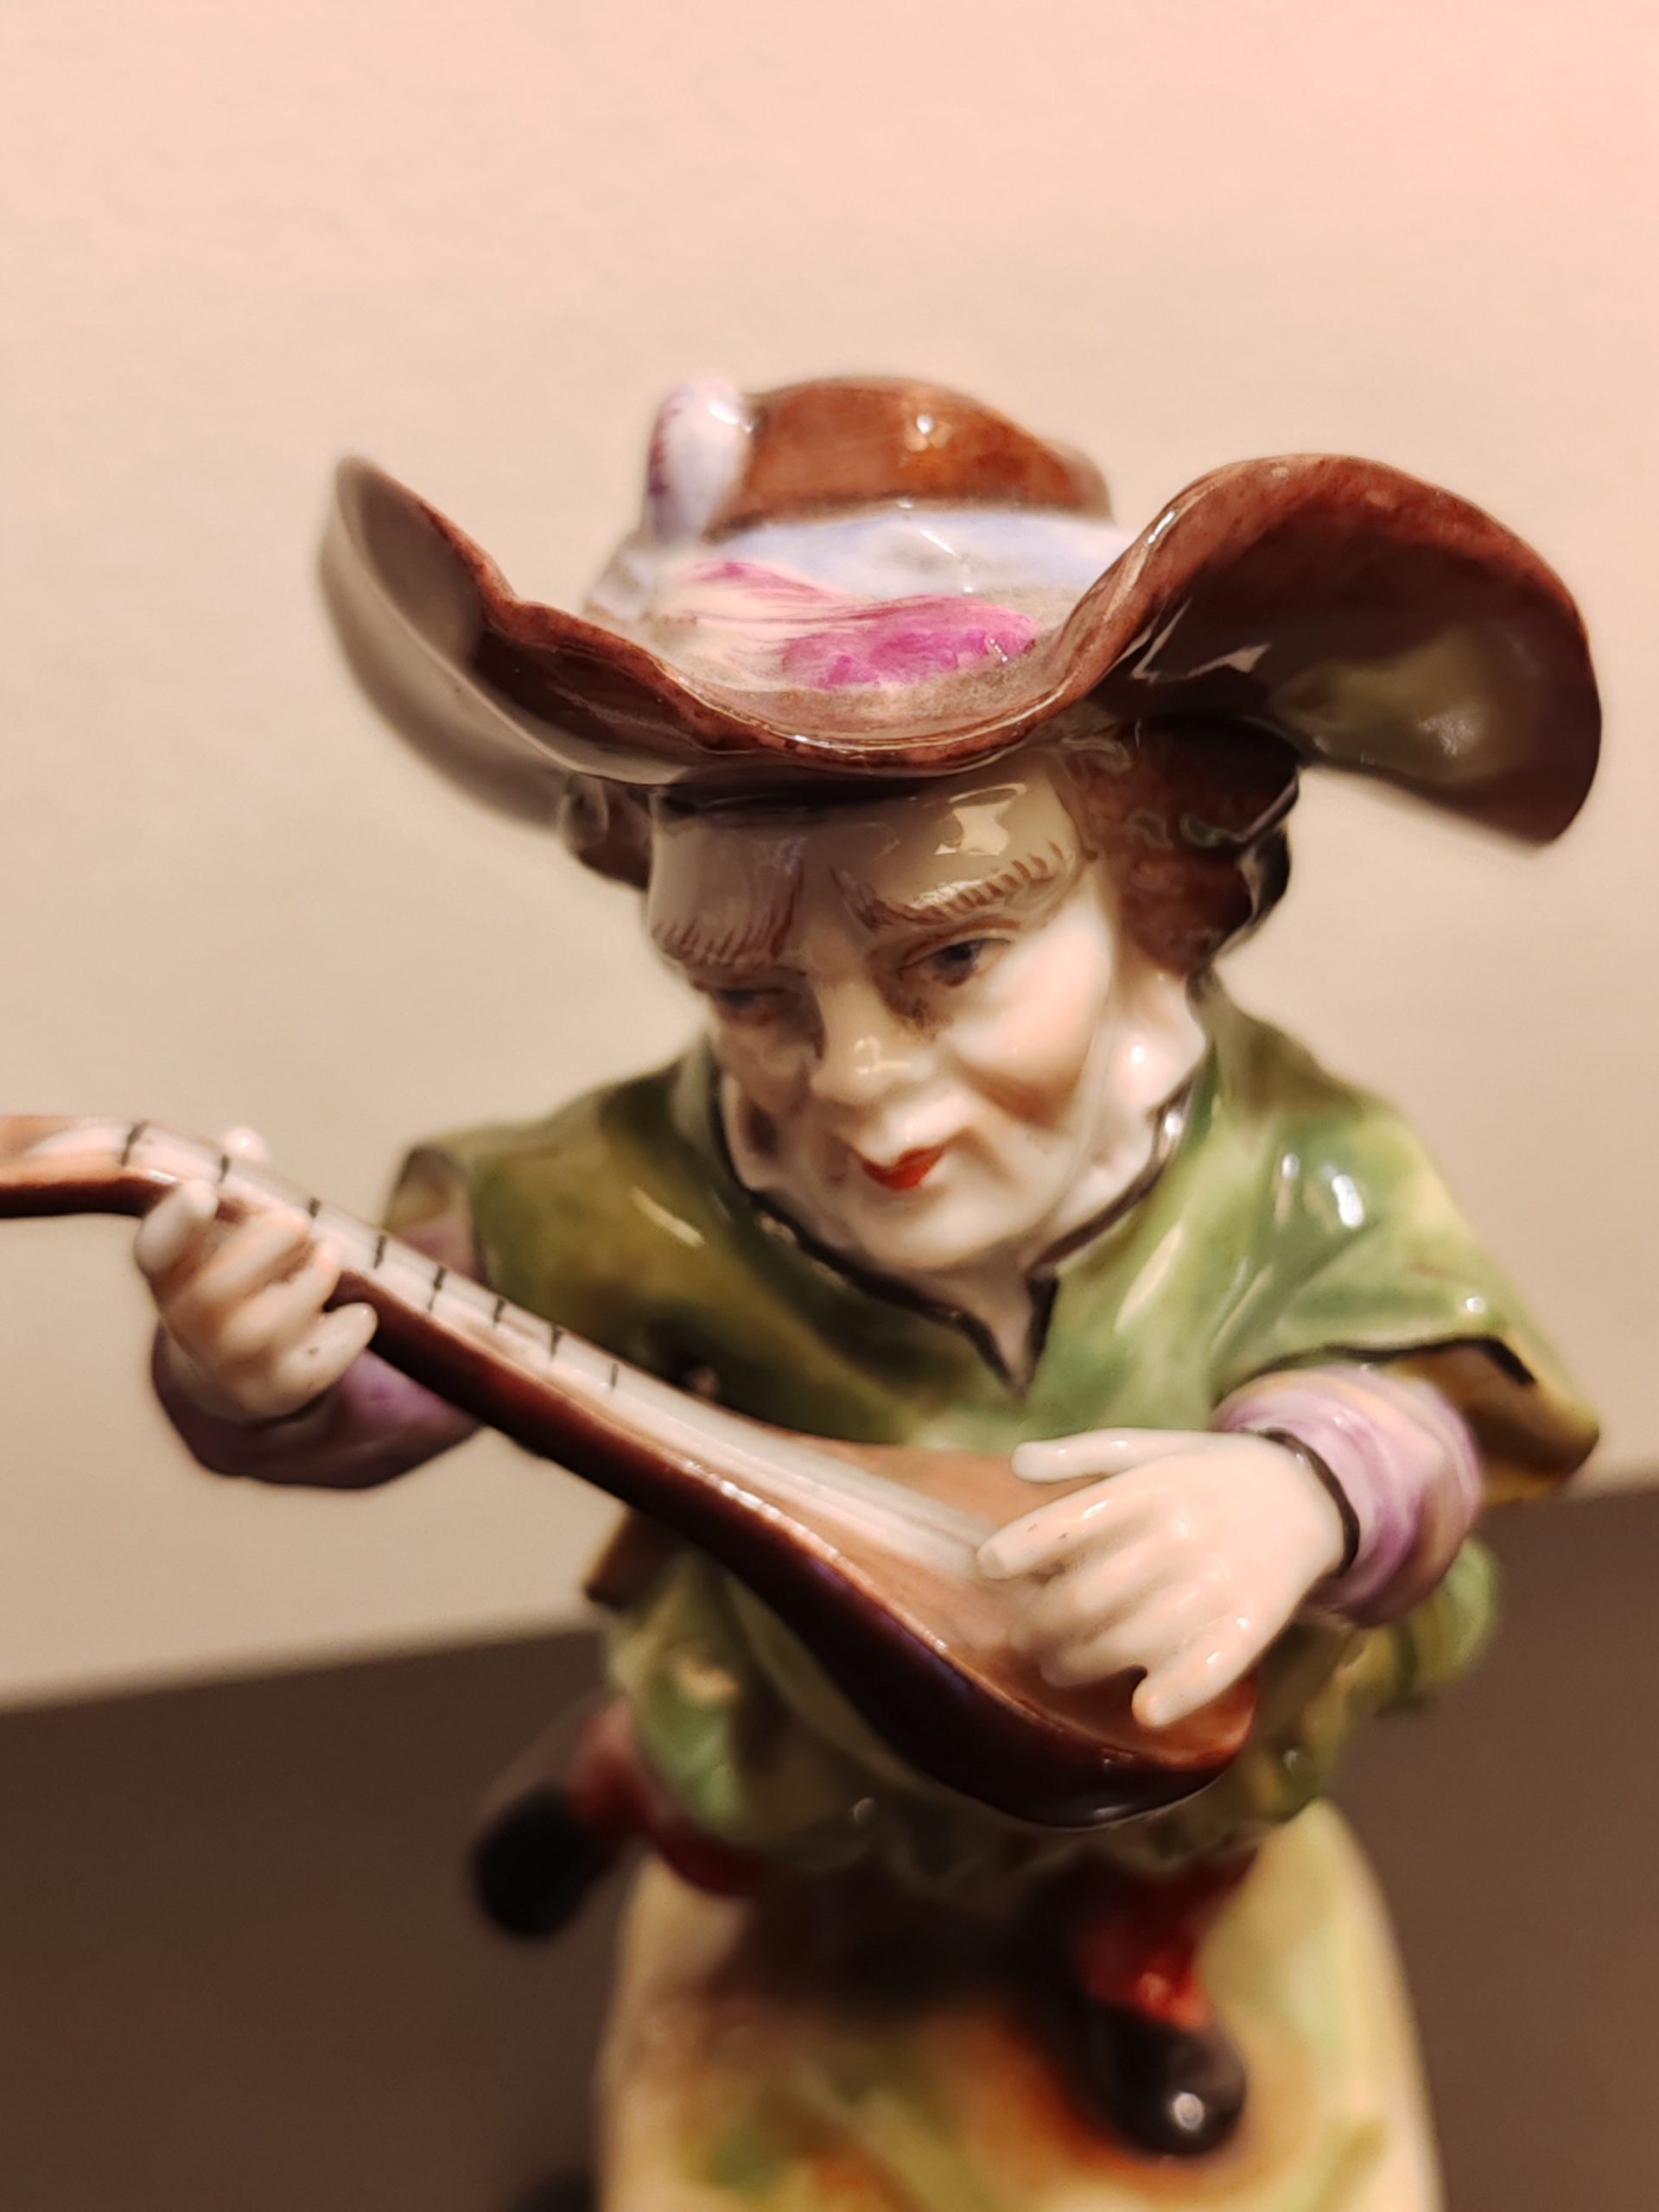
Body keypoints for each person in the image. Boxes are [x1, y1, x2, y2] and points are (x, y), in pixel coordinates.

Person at [137, 379, 1599, 2202]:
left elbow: (1446, 1375)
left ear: (1159, 887)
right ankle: (628, 1783)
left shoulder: (1295, 1158)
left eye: (954, 956)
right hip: (808, 1674)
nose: (858, 1081)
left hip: (1166, 1708)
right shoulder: (648, 1180)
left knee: (1182, 1843)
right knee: (737, 1798)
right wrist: (271, 1359)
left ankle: (1133, 1966)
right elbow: (428, 1335)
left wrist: (1301, 1489)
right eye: (754, 995)